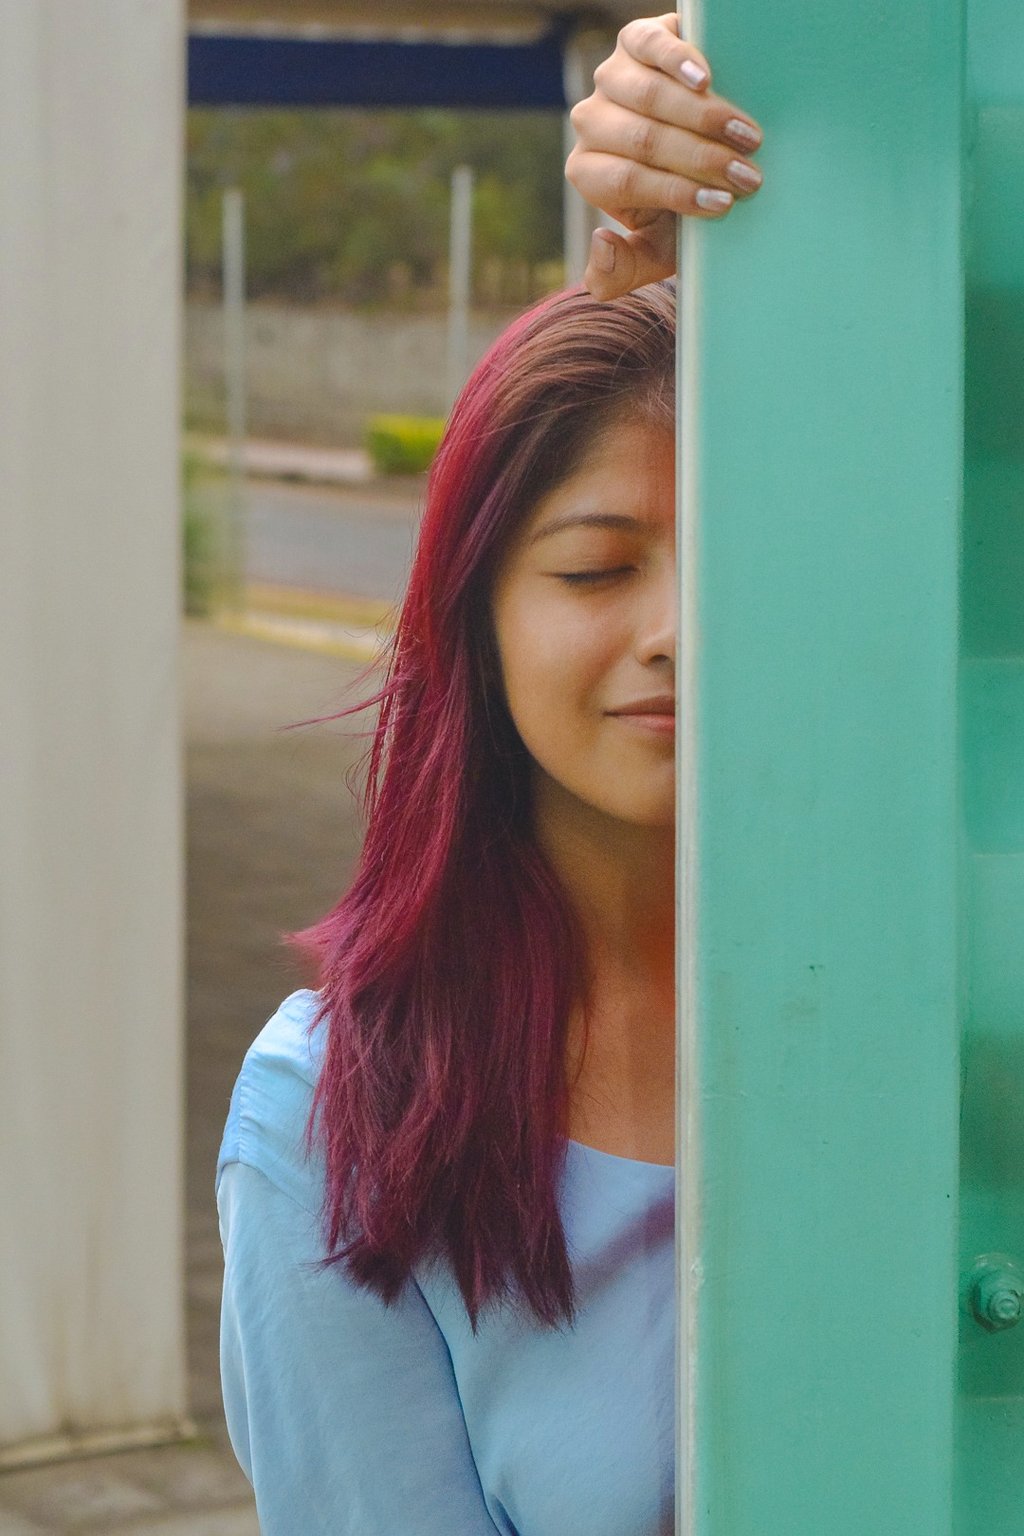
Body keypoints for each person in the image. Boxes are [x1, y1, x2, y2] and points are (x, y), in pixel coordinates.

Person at [215, 14, 764, 1534]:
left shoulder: (936, 1004)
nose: (679, 632)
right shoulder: (337, 1115)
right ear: (476, 623)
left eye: (733, 560)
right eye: (595, 569)